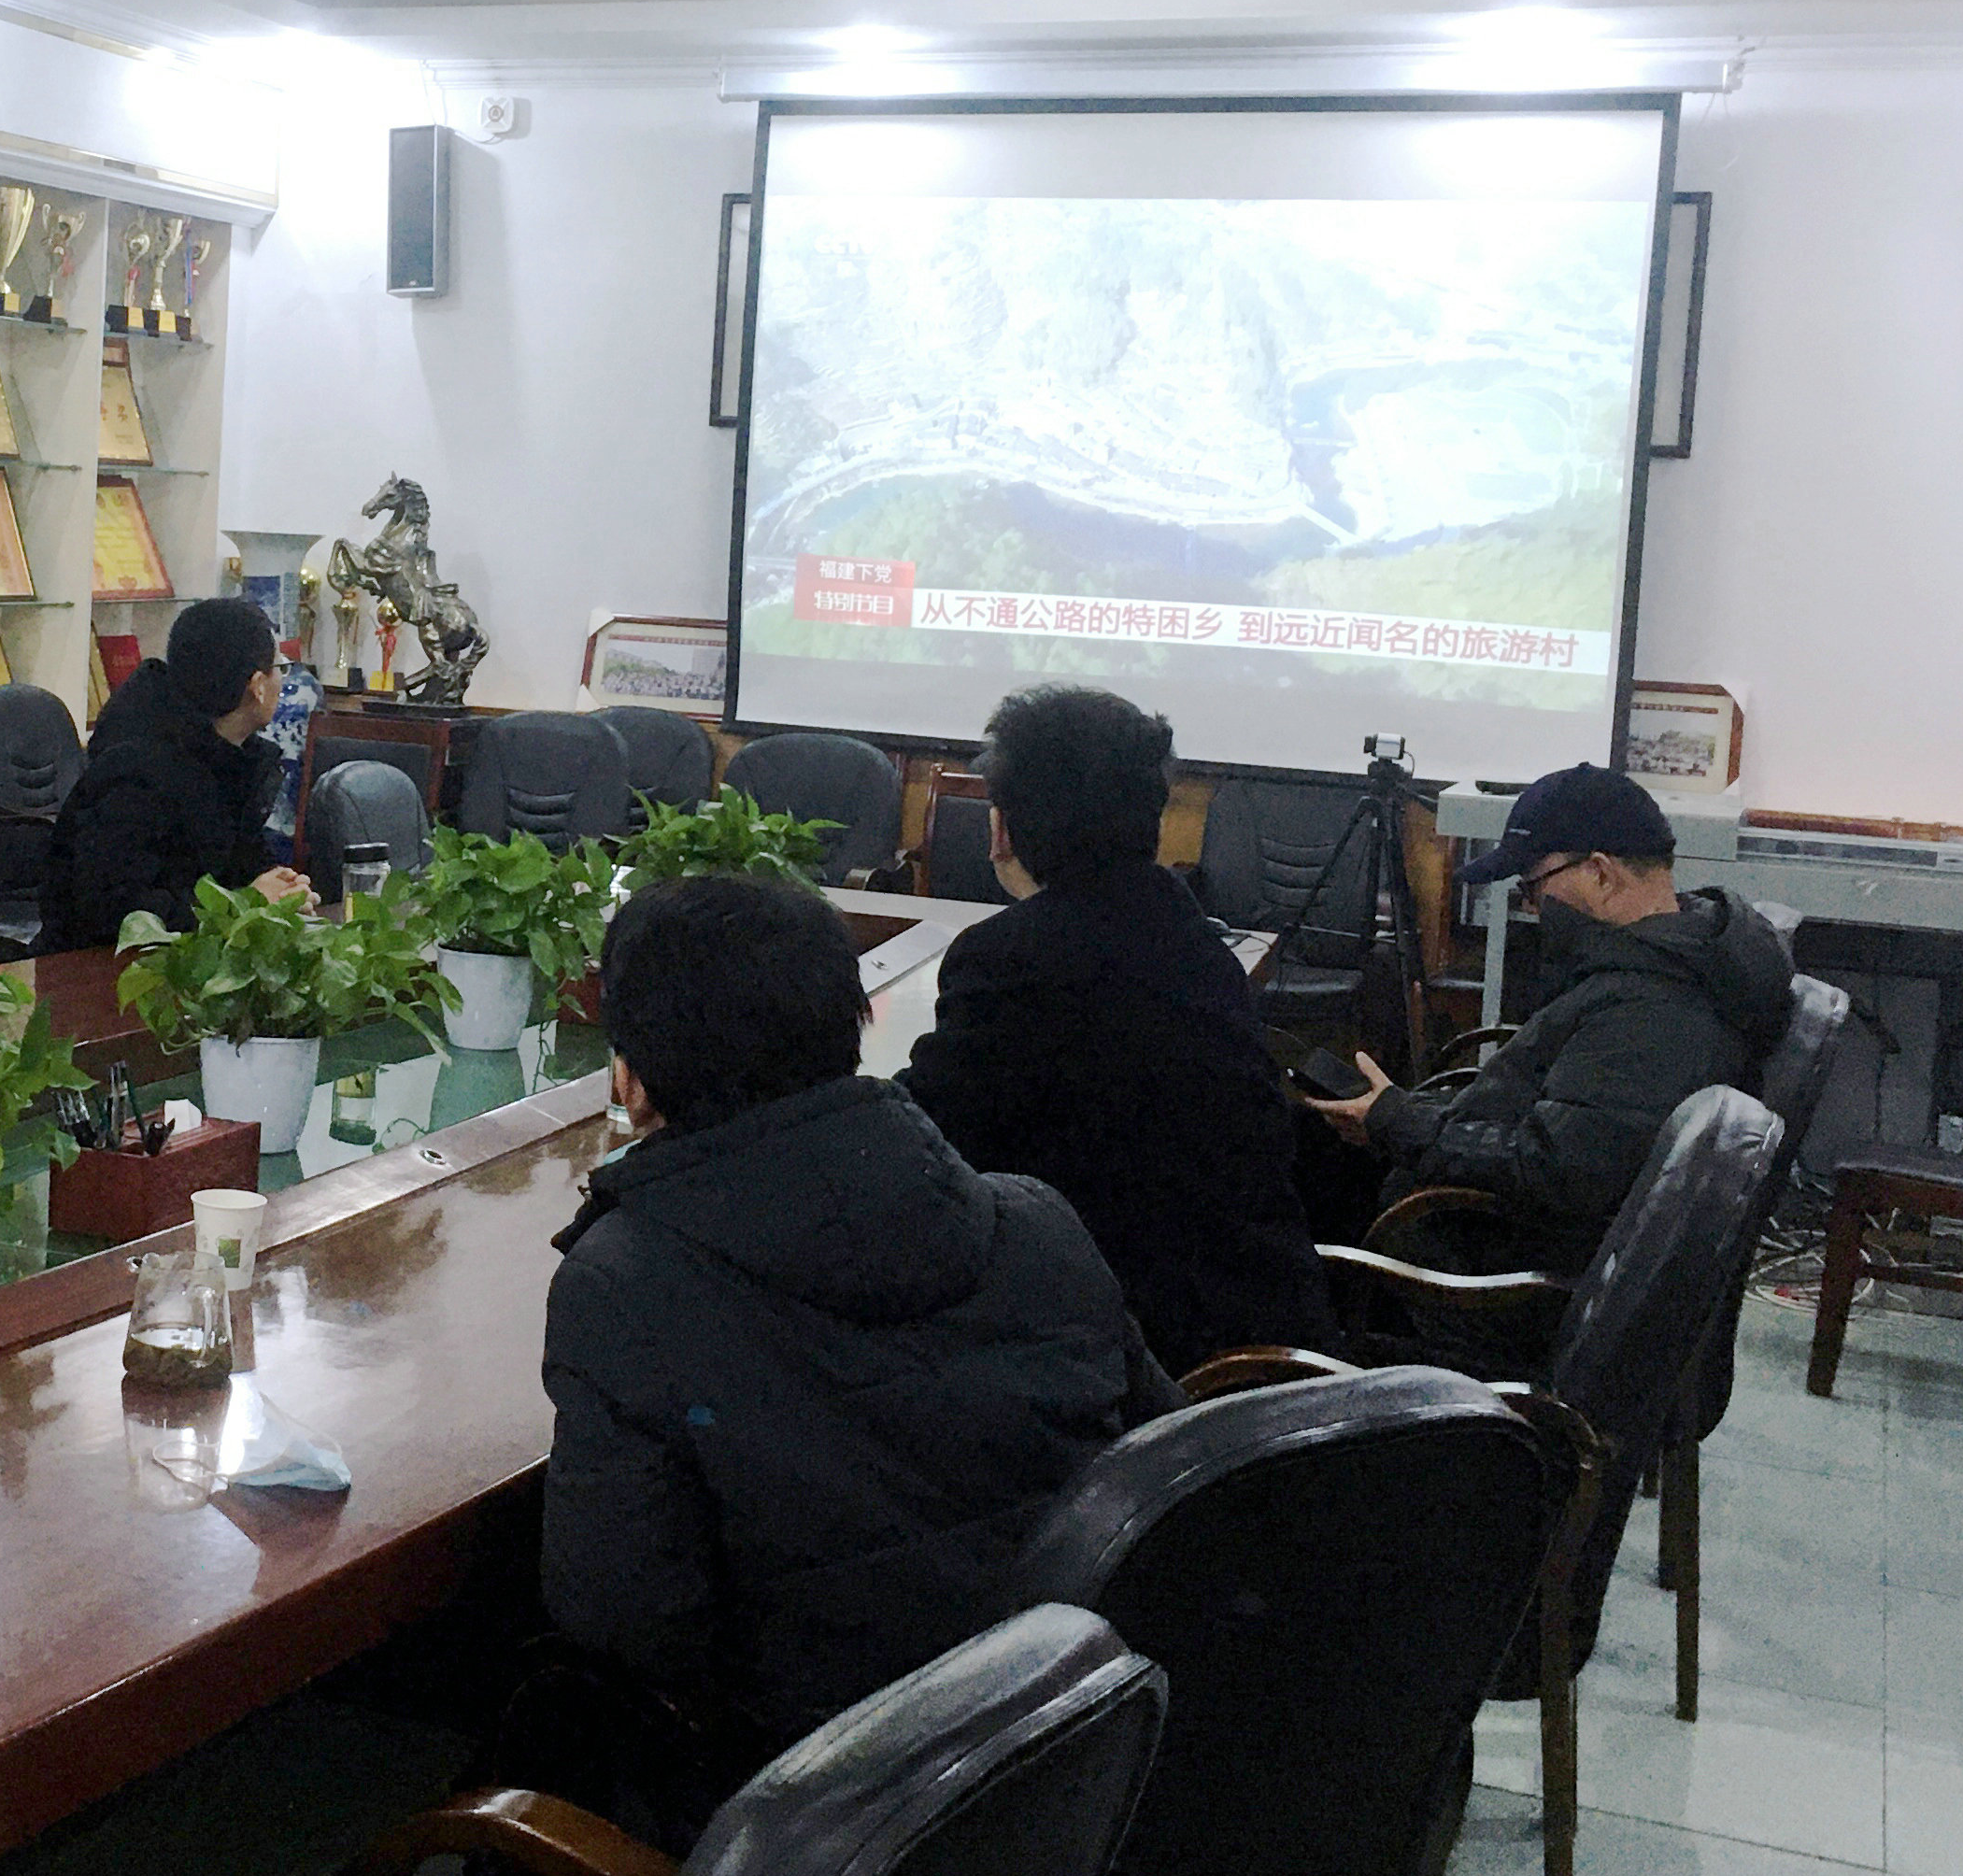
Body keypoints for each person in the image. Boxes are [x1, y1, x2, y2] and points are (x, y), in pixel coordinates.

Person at [539, 871, 1175, 1810]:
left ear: (630, 1081)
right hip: (1077, 1750)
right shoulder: (1041, 1222)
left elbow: (624, 1625)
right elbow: (1167, 1477)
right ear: (857, 1027)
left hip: (822, 1815)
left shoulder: (624, 1287)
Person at [900, 685, 1336, 1373]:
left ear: (1002, 828)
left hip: (1139, 1355)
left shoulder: (1010, 958)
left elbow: (929, 1144)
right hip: (1262, 1318)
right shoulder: (1194, 938)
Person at [1305, 762, 1796, 1290]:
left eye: (1532, 886)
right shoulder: (1664, 960)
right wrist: (1409, 1116)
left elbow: (1558, 1169)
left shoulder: (1652, 1010)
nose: (1531, 906)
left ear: (1601, 874)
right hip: (1471, 1209)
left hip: (1472, 1263)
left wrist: (1400, 1122)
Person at [39, 595, 313, 950]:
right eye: (280, 667)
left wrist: (283, 889)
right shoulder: (138, 770)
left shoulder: (233, 757)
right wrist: (245, 904)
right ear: (257, 685)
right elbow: (117, 911)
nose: (282, 679)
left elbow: (240, 862)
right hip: (99, 968)